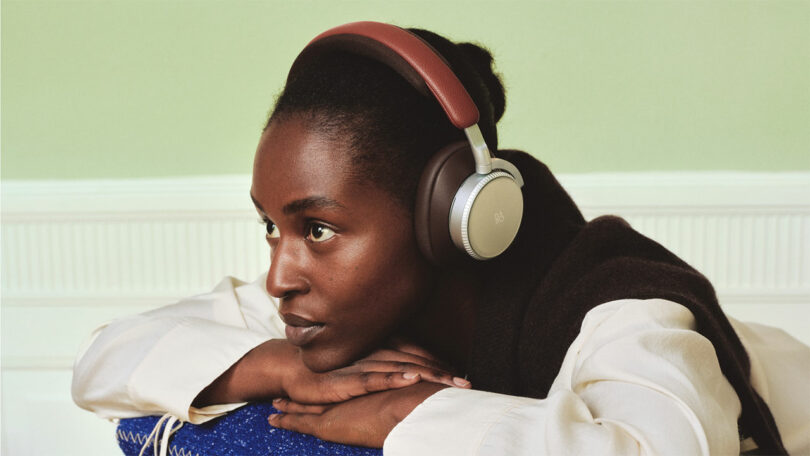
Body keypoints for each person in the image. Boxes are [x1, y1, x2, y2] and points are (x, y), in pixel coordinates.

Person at [72, 22, 810, 455]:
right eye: (272, 227)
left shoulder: (625, 310)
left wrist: (410, 415)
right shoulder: (331, 309)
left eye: (318, 228)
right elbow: (105, 361)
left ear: (454, 219)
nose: (279, 276)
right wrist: (276, 368)